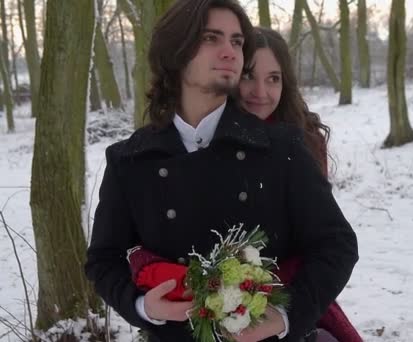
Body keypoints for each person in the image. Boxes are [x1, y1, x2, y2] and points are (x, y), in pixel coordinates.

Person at [84, 1, 358, 341]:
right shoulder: (131, 160)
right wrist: (141, 306)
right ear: (175, 51)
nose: (229, 51)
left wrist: (285, 316)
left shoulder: (279, 148)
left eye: (237, 41)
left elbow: (337, 244)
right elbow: (103, 260)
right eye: (212, 38)